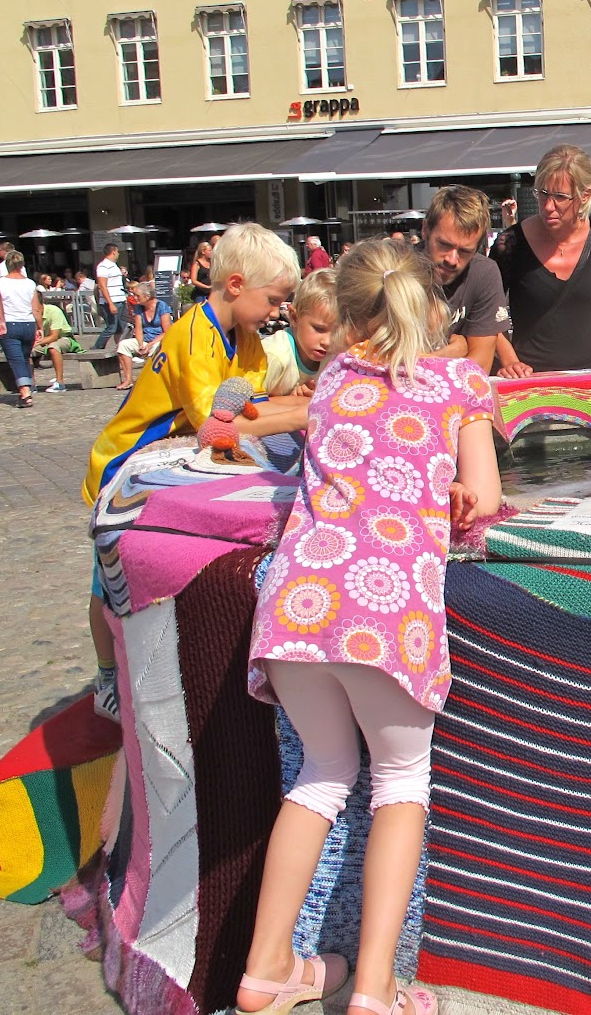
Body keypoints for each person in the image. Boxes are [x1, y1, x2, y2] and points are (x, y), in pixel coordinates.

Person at [239, 238, 501, 1015]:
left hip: (297, 603)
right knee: (400, 784)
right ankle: (377, 989)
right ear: (433, 308)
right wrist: (459, 487)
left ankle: (266, 967)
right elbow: (483, 498)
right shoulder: (460, 380)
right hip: (383, 616)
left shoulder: (332, 380)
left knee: (319, 774)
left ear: (350, 317)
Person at [82, 223, 310, 721]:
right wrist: (305, 414)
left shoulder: (244, 338)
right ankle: (106, 676)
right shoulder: (192, 335)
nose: (277, 313)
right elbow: (220, 423)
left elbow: (250, 408)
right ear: (234, 285)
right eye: (273, 300)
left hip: (176, 466)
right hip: (125, 463)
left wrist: (288, 406)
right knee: (106, 586)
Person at [490, 144, 591, 376]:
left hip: (590, 377)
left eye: (560, 197)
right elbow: (488, 313)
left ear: (585, 195)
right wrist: (510, 360)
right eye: (542, 194)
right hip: (528, 379)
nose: (547, 207)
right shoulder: (510, 244)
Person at [419, 184, 508, 374]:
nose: (452, 259)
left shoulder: (483, 273)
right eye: (444, 244)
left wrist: (429, 359)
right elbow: (378, 360)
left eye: (465, 251)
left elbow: (479, 368)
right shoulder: (396, 268)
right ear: (425, 229)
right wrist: (454, 352)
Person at [263, 268, 337, 396]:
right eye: (319, 329)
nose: (328, 341)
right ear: (294, 318)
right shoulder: (274, 357)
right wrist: (292, 402)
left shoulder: (334, 357)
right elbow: (246, 405)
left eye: (337, 332)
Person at [0, 250, 41, 409]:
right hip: (28, 323)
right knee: (25, 357)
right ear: (22, 265)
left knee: (16, 360)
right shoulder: (30, 283)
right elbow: (36, 309)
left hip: (10, 323)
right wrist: (40, 326)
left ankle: (25, 392)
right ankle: (27, 386)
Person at [113, 282, 173, 385]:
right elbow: (138, 329)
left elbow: (167, 331)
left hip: (160, 339)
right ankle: (128, 379)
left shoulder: (162, 306)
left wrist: (149, 345)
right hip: (145, 339)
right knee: (123, 345)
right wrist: (141, 345)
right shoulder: (139, 308)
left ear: (147, 296)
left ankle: (152, 380)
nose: (135, 298)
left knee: (155, 349)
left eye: (138, 296)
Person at [31, 293, 82, 393]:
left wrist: (36, 342)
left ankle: (60, 383)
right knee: (27, 351)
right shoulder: (29, 314)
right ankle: (31, 384)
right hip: (43, 341)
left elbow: (54, 336)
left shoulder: (53, 311)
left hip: (64, 338)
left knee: (53, 347)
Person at [94, 244, 127, 350]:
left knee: (121, 328)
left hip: (120, 299)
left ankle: (120, 348)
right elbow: (102, 286)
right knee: (111, 327)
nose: (118, 254)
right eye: (117, 252)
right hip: (112, 301)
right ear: (113, 252)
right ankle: (97, 347)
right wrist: (110, 303)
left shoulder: (114, 265)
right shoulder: (103, 266)